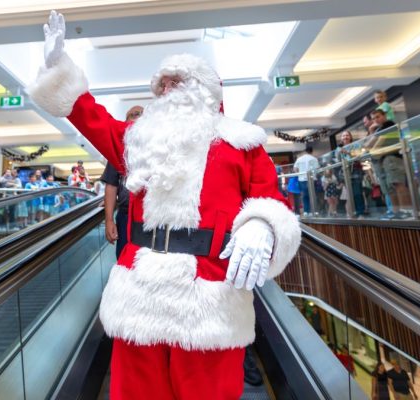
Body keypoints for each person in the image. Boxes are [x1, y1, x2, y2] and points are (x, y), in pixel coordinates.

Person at [28, 11, 300, 399]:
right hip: (140, 293)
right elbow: (94, 119)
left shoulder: (244, 143)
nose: (166, 91)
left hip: (210, 297)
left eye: (178, 82)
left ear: (205, 89)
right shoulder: (140, 142)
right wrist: (59, 68)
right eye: (162, 85)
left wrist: (262, 225)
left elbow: (270, 200)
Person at [102, 106, 142, 259]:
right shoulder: (119, 151)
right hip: (126, 216)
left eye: (141, 115)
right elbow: (111, 185)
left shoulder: (158, 149)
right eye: (134, 115)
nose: (138, 117)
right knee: (125, 260)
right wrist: (109, 220)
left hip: (152, 217)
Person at [338, 131, 365, 217]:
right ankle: (352, 213)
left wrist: (347, 152)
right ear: (341, 138)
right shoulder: (339, 148)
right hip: (345, 173)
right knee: (349, 195)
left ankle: (360, 212)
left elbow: (359, 155)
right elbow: (337, 160)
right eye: (343, 136)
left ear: (350, 137)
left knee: (357, 192)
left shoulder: (356, 145)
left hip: (355, 171)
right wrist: (340, 152)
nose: (345, 137)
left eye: (347, 135)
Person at [294, 147, 319, 215]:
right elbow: (317, 169)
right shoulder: (314, 158)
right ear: (312, 151)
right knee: (313, 195)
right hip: (312, 179)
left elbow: (295, 169)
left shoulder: (299, 158)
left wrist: (300, 174)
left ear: (305, 151)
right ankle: (313, 211)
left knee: (304, 196)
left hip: (302, 179)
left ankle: (306, 211)